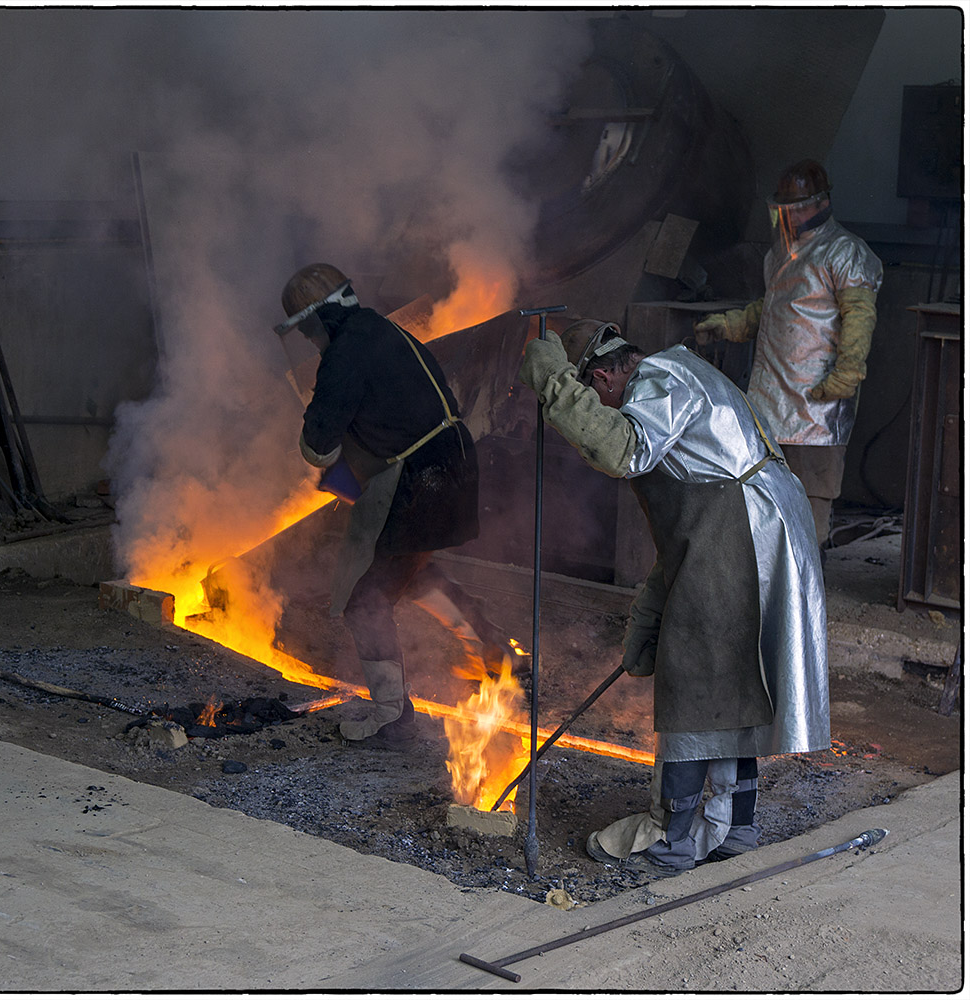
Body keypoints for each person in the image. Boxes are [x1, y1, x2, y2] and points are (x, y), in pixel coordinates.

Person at [518, 318, 830, 878]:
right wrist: (651, 612)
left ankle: (671, 836)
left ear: (606, 373)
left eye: (595, 396)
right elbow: (682, 531)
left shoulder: (660, 375)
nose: (605, 412)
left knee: (695, 675)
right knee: (730, 682)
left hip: (741, 532)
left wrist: (555, 385)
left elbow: (623, 451)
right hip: (739, 528)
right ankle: (735, 827)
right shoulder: (679, 377)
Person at [275, 263, 512, 750]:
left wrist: (328, 450)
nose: (307, 340)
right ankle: (497, 651)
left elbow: (318, 445)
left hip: (417, 477)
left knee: (364, 599)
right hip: (455, 461)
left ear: (317, 320)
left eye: (305, 330)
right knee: (407, 569)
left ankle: (390, 714)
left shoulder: (343, 353)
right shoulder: (382, 328)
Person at [694, 159, 883, 551]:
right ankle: (768, 583)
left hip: (817, 405)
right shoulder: (781, 253)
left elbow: (859, 315)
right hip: (771, 403)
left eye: (796, 208)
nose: (789, 216)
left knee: (811, 500)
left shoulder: (845, 252)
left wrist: (847, 372)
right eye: (784, 209)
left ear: (821, 203)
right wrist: (731, 325)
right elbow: (775, 308)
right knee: (768, 494)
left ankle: (806, 586)